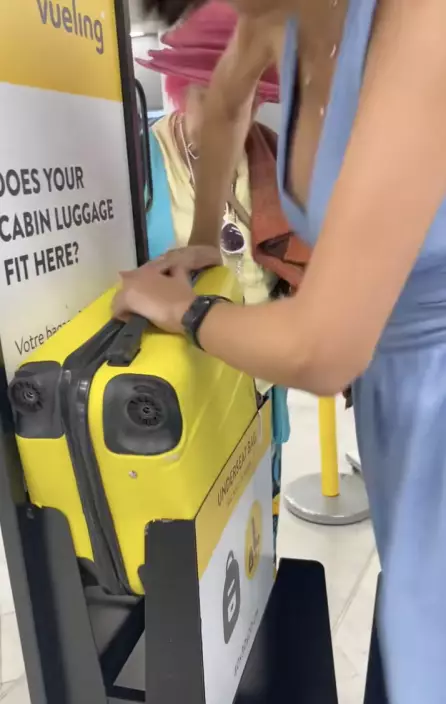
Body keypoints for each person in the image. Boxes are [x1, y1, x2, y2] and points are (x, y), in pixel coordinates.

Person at [116, 1, 446, 702]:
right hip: (395, 390)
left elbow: (321, 349)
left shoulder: (422, 21)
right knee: (410, 618)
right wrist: (204, 241)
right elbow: (226, 99)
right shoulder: (275, 17)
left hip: (426, 384)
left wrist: (188, 311)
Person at [137, 2, 311, 559]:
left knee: (259, 544)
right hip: (182, 409)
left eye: (254, 95)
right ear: (178, 89)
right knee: (196, 561)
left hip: (259, 395)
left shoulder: (275, 160)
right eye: (213, 93)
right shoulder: (139, 166)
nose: (241, 109)